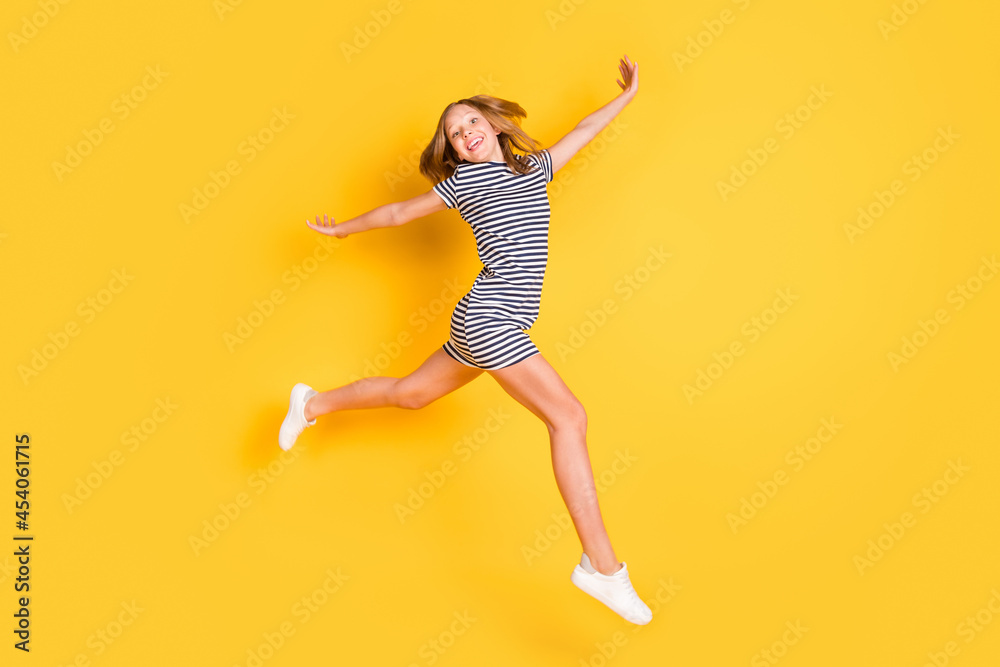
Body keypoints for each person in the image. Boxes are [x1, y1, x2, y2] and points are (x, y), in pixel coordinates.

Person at [279, 54, 651, 625]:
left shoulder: (536, 169)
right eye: (454, 134)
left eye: (471, 123)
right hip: (491, 318)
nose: (465, 134)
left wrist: (625, 98)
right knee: (569, 419)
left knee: (411, 394)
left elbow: (582, 131)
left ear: (495, 126)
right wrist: (342, 227)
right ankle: (602, 567)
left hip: (491, 324)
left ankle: (312, 402)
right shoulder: (466, 182)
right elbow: (401, 212)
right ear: (453, 153)